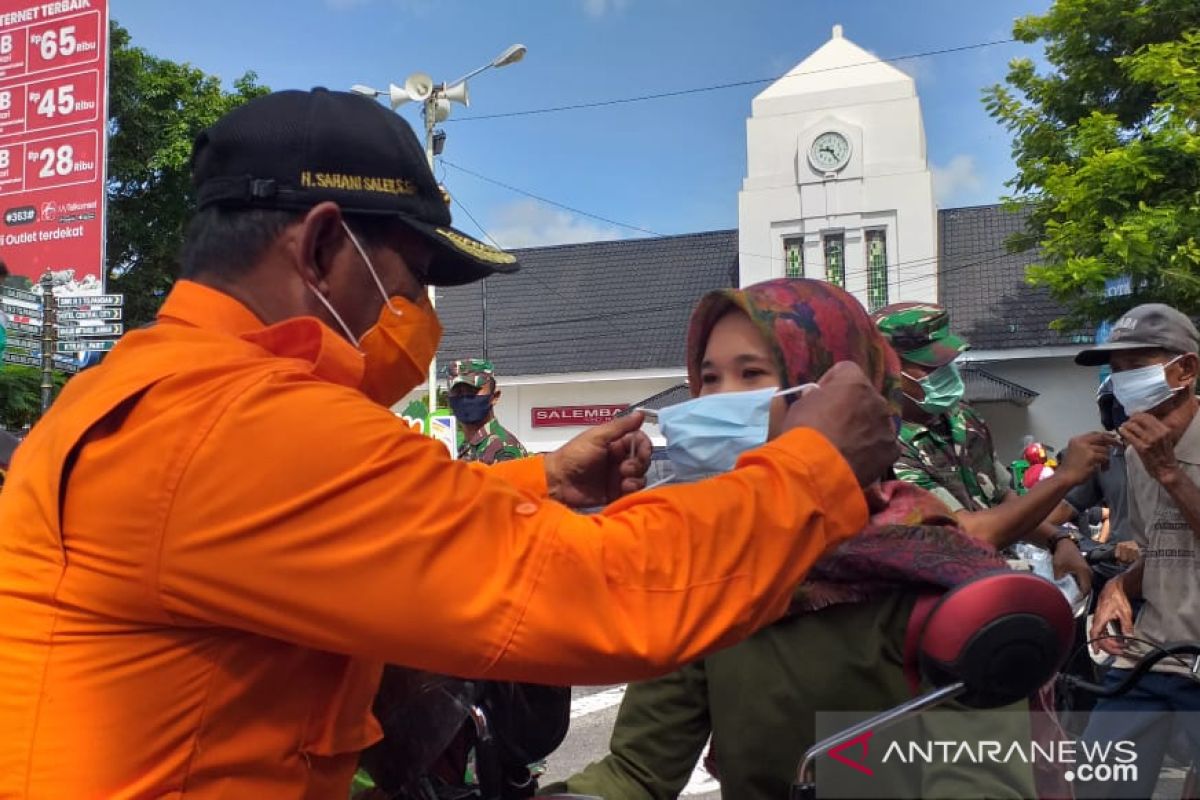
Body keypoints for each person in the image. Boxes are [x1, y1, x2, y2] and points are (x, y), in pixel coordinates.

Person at [0, 89, 899, 798]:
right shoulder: (240, 423)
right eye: (413, 280)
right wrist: (813, 467)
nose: (423, 319)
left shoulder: (153, 391)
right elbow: (608, 600)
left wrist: (544, 480)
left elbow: (370, 526)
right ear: (321, 248)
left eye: (753, 374)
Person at [543, 279, 1036, 800]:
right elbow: (637, 773)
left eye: (752, 374)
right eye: (709, 378)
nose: (720, 400)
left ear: (841, 400)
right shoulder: (710, 572)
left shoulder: (943, 578)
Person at [872, 302, 1112, 595]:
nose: (945, 372)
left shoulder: (964, 419)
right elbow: (969, 534)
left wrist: (1059, 540)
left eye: (948, 362)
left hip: (991, 590)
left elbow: (1005, 502)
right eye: (930, 367)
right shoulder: (882, 443)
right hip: (930, 604)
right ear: (888, 370)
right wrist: (1065, 477)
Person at [1076, 303, 1200, 799]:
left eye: (1138, 367)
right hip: (1149, 657)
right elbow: (1164, 549)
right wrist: (1117, 587)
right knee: (1098, 783)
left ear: (1185, 369)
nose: (1123, 383)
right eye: (1117, 371)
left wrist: (1170, 473)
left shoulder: (1159, 458)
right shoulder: (1133, 452)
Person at [448, 358, 528, 463]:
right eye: (458, 392)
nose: (464, 398)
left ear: (494, 397)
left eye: (472, 391)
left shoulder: (504, 450)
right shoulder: (463, 447)